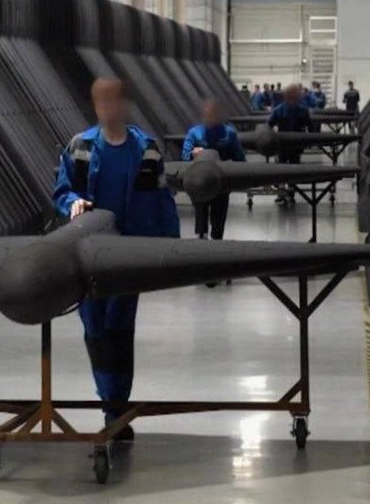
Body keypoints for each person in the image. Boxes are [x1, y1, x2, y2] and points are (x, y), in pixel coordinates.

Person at [53, 78, 180, 440]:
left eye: (112, 100)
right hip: (89, 258)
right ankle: (110, 403)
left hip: (129, 259)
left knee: (120, 329)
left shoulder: (148, 150)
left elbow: (161, 200)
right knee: (95, 329)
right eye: (100, 101)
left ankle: (116, 407)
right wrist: (71, 203)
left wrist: (171, 251)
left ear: (125, 104)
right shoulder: (80, 148)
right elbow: (62, 190)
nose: (107, 107)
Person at [181, 100, 246, 241]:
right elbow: (185, 154)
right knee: (200, 214)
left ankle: (216, 241)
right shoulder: (194, 133)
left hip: (221, 184)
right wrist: (192, 153)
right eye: (207, 115)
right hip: (199, 182)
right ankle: (201, 236)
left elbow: (239, 158)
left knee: (218, 220)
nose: (210, 117)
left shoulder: (229, 134)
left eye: (213, 114)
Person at [267, 84, 312, 202]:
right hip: (295, 145)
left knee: (282, 168)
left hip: (283, 144)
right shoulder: (302, 110)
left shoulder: (279, 109)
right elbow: (310, 126)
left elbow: (269, 125)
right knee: (293, 168)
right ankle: (290, 192)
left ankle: (283, 193)